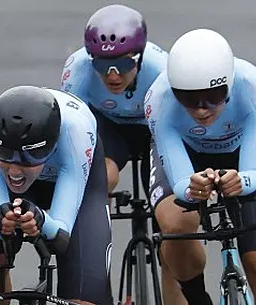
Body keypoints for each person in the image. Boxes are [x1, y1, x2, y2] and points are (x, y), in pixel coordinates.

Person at [145, 28, 256, 305]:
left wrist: (242, 181)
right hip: (186, 154)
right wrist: (192, 188)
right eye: (188, 98)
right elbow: (180, 184)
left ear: (230, 84)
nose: (202, 109)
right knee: (175, 226)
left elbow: (254, 174)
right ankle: (198, 299)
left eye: (214, 95)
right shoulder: (158, 99)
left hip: (241, 156)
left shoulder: (252, 85)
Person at [60, 5, 192, 305]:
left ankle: (170, 275)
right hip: (109, 127)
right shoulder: (76, 70)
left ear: (140, 56)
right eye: (102, 65)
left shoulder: (163, 69)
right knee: (102, 176)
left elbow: (179, 129)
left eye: (122, 63)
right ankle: (95, 259)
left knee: (170, 236)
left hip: (156, 128)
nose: (112, 75)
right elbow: (74, 128)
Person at [0, 85, 113, 305]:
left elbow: (60, 238)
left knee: (85, 298)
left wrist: (42, 220)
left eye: (30, 158)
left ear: (52, 146)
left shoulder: (75, 132)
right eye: (5, 156)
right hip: (14, 190)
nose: (15, 171)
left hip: (73, 177)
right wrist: (2, 222)